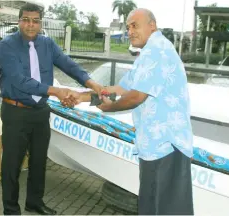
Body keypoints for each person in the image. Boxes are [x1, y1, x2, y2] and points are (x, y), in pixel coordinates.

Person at [74, 8, 194, 215]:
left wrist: (109, 108)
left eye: (134, 25)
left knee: (165, 209)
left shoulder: (158, 50)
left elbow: (136, 96)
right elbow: (119, 89)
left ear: (152, 25)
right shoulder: (147, 55)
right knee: (150, 207)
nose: (129, 31)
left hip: (166, 145)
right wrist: (80, 96)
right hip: (153, 145)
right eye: (127, 27)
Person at [0, 3, 102, 215]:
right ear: (19, 21)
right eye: (26, 19)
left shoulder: (47, 43)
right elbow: (19, 81)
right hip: (15, 112)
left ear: (40, 23)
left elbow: (68, 64)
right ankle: (10, 209)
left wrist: (91, 83)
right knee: (12, 164)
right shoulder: (7, 45)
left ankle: (34, 202)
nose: (30, 24)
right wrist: (56, 91)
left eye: (35, 20)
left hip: (40, 111)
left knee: (38, 161)